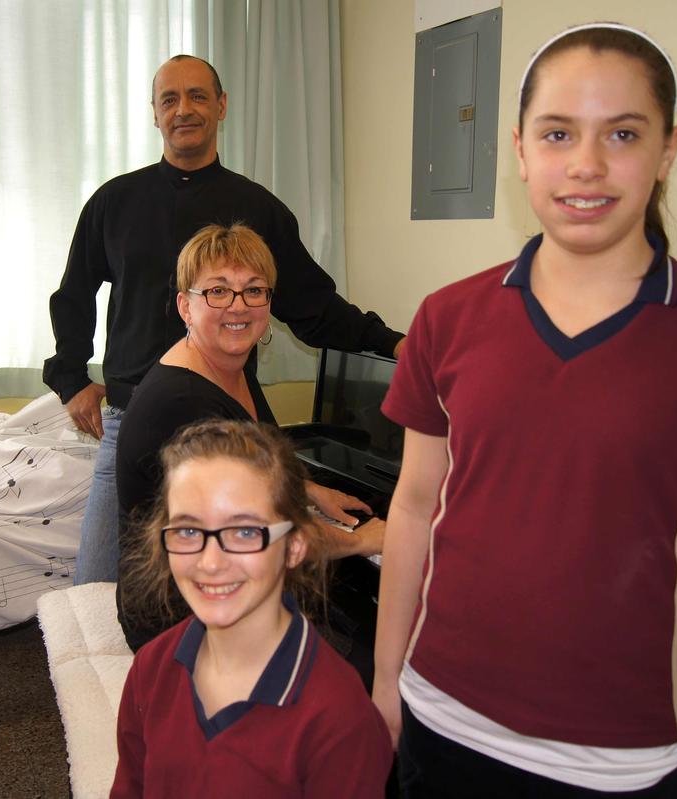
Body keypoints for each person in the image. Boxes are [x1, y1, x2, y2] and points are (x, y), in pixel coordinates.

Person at [372, 23, 677, 798]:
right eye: (557, 133)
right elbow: (413, 507)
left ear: (668, 149)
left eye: (623, 133)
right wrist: (385, 683)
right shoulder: (446, 318)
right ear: (519, 150)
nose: (587, 164)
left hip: (622, 763)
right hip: (440, 726)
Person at [43, 54, 405, 584]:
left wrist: (396, 344)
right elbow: (74, 294)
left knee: (242, 572)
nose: (183, 110)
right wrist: (71, 378)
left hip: (228, 418)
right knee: (97, 584)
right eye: (169, 99)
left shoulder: (258, 209)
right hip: (132, 418)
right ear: (154, 113)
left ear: (221, 106)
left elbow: (316, 308)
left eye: (197, 96)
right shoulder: (113, 202)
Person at [115, 222, 383, 651]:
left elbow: (251, 463)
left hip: (218, 588)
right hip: (182, 618)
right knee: (364, 653)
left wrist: (308, 488)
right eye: (218, 291)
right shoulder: (185, 403)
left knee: (363, 622)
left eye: (254, 290)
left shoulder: (229, 366)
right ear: (185, 306)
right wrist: (361, 540)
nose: (238, 306)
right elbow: (273, 534)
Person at [111, 419, 392, 798]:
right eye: (188, 531)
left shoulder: (340, 719)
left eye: (245, 532)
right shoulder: (152, 668)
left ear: (294, 547)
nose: (211, 562)